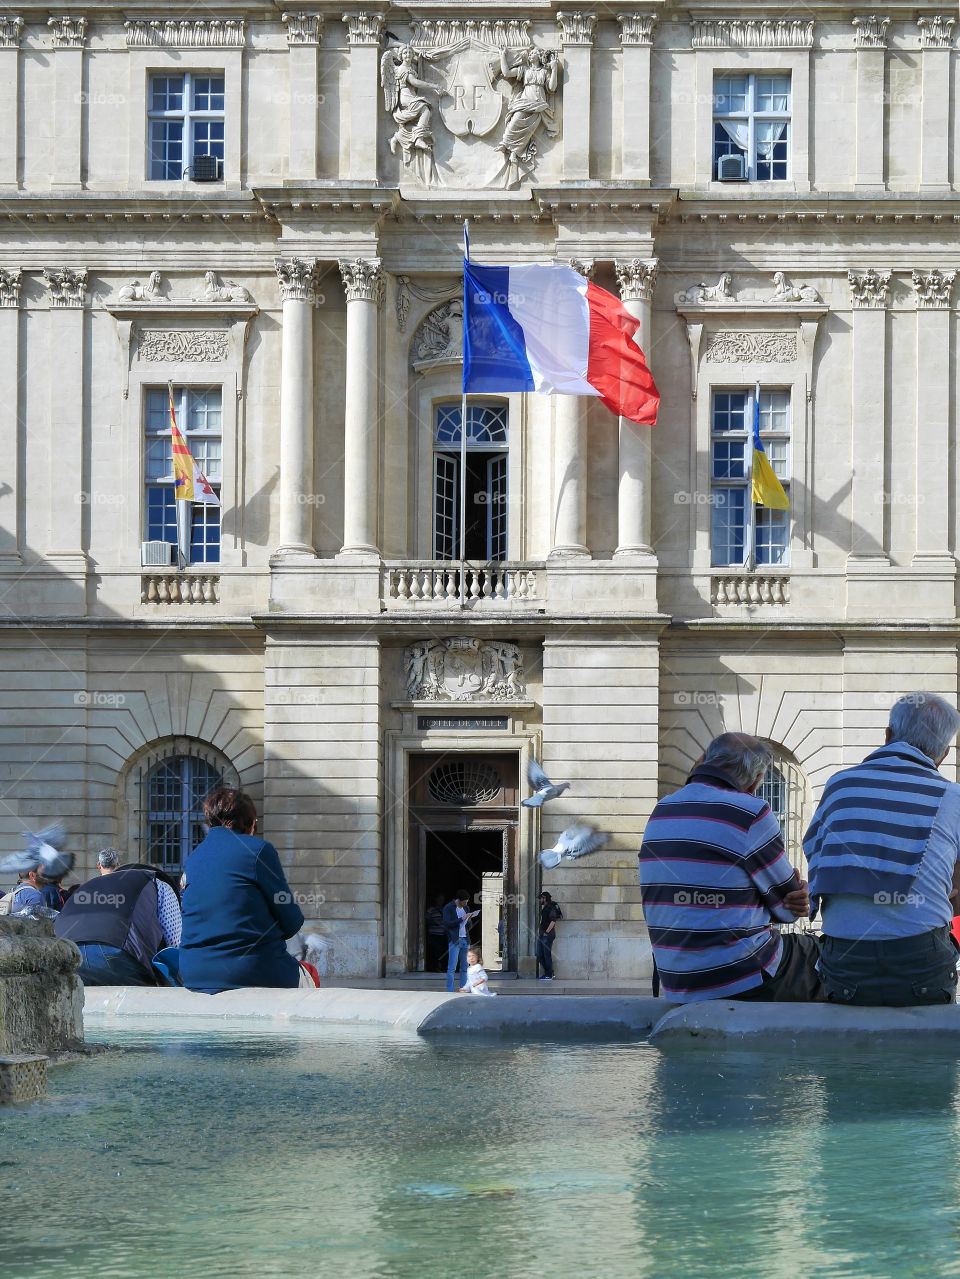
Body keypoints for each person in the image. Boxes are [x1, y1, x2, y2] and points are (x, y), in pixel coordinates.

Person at [638, 733, 819, 1003]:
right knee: (830, 959)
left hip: (676, 981)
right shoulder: (750, 812)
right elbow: (786, 909)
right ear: (757, 779)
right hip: (738, 977)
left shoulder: (662, 809)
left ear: (707, 760)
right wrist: (796, 898)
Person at [804, 693, 960, 1006]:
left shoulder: (839, 785)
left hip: (846, 966)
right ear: (943, 753)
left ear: (887, 736)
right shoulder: (952, 796)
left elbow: (817, 858)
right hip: (921, 968)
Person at [178, 788, 305, 993]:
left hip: (194, 972)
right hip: (250, 969)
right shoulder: (259, 850)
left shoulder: (194, 858)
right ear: (249, 823)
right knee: (309, 981)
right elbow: (292, 922)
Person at [55, 852, 182, 985]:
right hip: (118, 951)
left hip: (69, 952)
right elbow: (174, 942)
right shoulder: (159, 883)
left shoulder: (94, 883)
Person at [442, 890, 478, 993]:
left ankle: (464, 989)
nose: (466, 904)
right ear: (458, 900)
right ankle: (450, 990)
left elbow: (468, 926)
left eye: (467, 902)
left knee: (465, 967)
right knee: (452, 967)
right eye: (465, 902)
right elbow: (447, 924)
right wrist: (461, 919)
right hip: (455, 940)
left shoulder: (466, 908)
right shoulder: (449, 908)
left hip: (465, 940)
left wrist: (469, 919)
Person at [537, 891, 562, 980]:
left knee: (546, 955)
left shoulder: (550, 908)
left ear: (545, 898)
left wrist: (546, 932)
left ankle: (549, 974)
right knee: (539, 954)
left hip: (547, 936)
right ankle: (550, 972)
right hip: (543, 935)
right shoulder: (545, 908)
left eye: (541, 898)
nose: (540, 900)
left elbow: (553, 921)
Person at [425, 893, 447, 972]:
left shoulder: (445, 909)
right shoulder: (430, 909)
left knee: (444, 951)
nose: (441, 901)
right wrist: (434, 922)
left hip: (444, 934)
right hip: (434, 934)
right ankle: (436, 967)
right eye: (439, 899)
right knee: (436, 951)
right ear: (436, 899)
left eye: (442, 899)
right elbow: (425, 920)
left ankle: (442, 967)